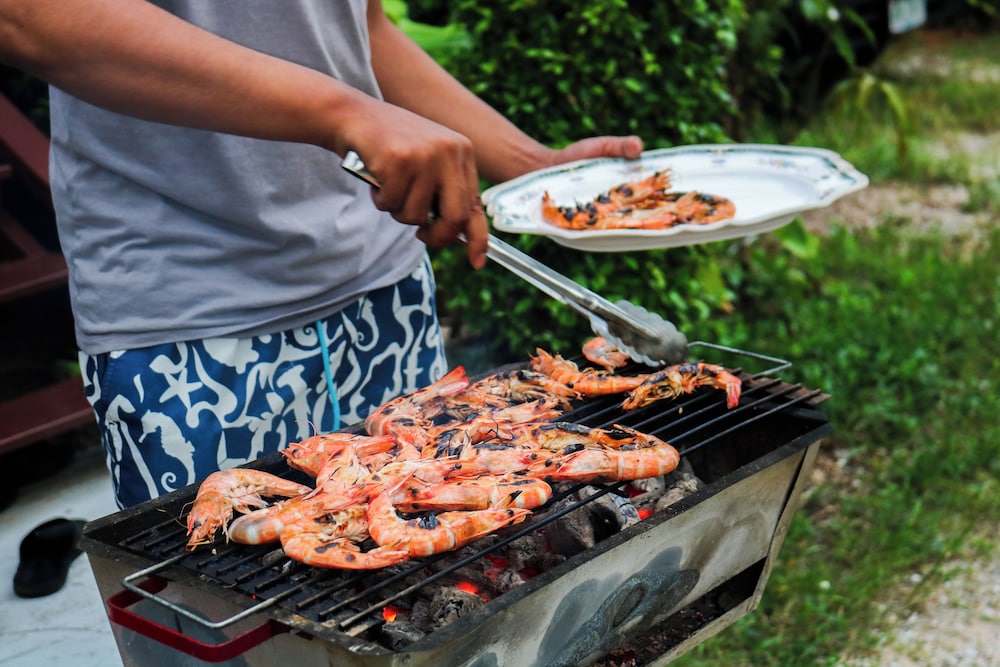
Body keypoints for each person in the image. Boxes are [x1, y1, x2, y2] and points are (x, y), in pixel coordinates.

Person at [0, 0, 644, 508]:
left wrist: (533, 166)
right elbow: (30, 15)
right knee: (236, 617)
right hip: (190, 317)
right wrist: (346, 113)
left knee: (431, 592)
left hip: (383, 288)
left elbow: (355, 24)